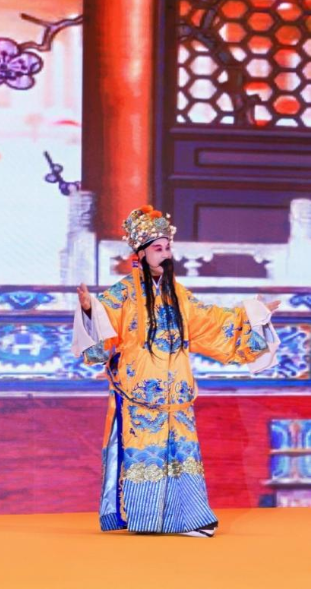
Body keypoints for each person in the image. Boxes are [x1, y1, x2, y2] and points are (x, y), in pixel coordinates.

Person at [72, 204, 279, 537]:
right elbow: (100, 337)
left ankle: (191, 519)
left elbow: (213, 323)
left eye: (168, 247)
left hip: (177, 391)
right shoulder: (122, 294)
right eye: (158, 248)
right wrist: (88, 310)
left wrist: (253, 315)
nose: (166, 253)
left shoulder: (178, 295)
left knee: (183, 453)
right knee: (146, 455)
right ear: (140, 253)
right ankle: (146, 520)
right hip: (140, 392)